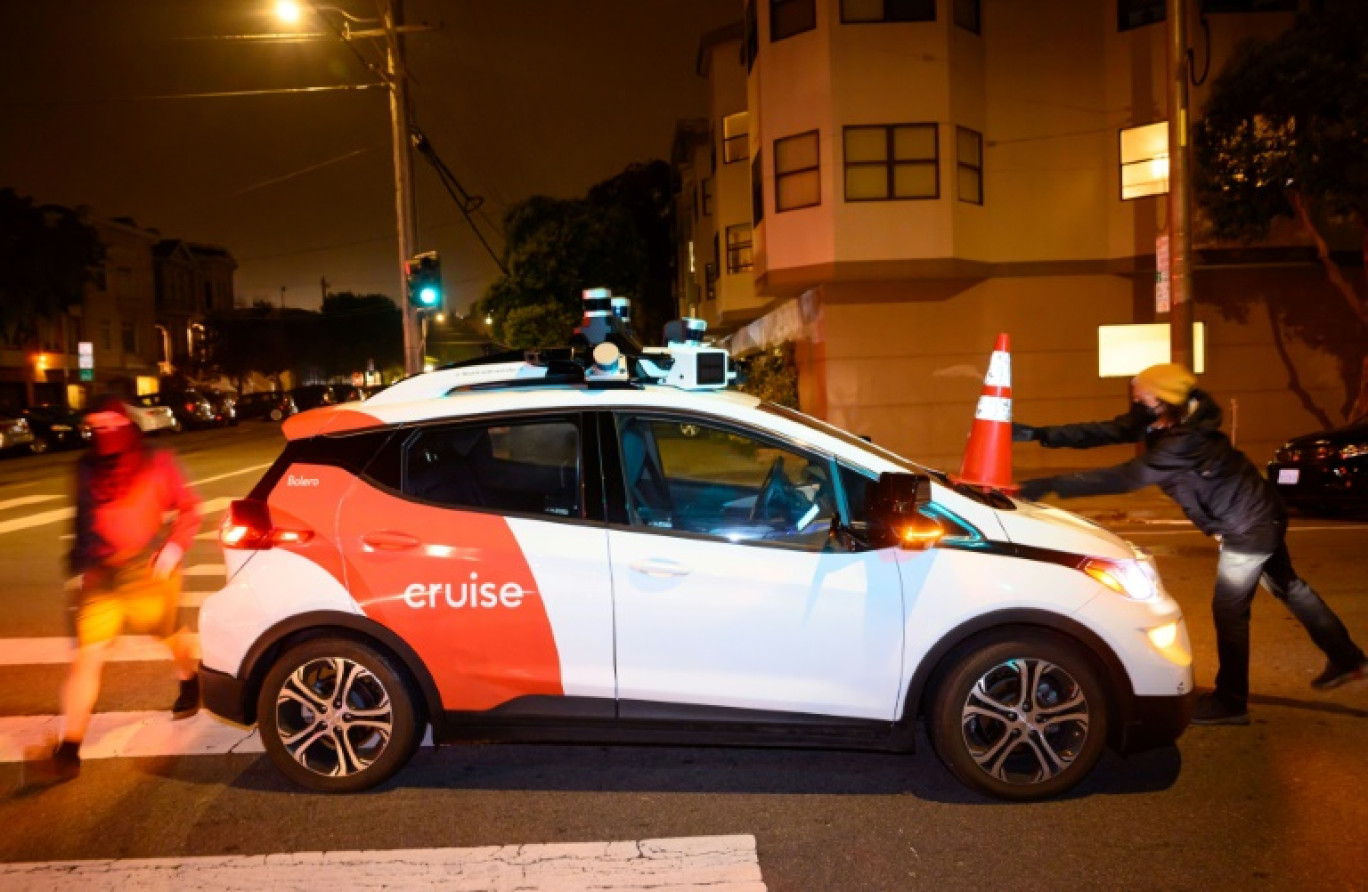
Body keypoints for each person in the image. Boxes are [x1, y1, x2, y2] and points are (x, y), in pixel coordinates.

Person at [1013, 363, 1366, 725]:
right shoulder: (1161, 419)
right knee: (1289, 586)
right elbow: (1105, 431)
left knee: (1230, 612)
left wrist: (1050, 484)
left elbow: (1128, 477)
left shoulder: (1184, 442)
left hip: (1247, 525)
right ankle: (1347, 659)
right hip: (1262, 511)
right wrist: (1039, 434)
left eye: (1142, 396)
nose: (1136, 401)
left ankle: (1231, 702)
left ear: (1162, 402)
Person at [29, 395, 202, 782]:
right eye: (96, 426)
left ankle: (190, 679)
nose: (104, 433)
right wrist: (78, 567)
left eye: (111, 424)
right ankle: (68, 750)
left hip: (148, 569)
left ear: (126, 424)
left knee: (169, 633)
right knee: (87, 659)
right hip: (100, 575)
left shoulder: (156, 461)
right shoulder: (86, 467)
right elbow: (82, 520)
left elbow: (190, 507)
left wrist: (174, 547)